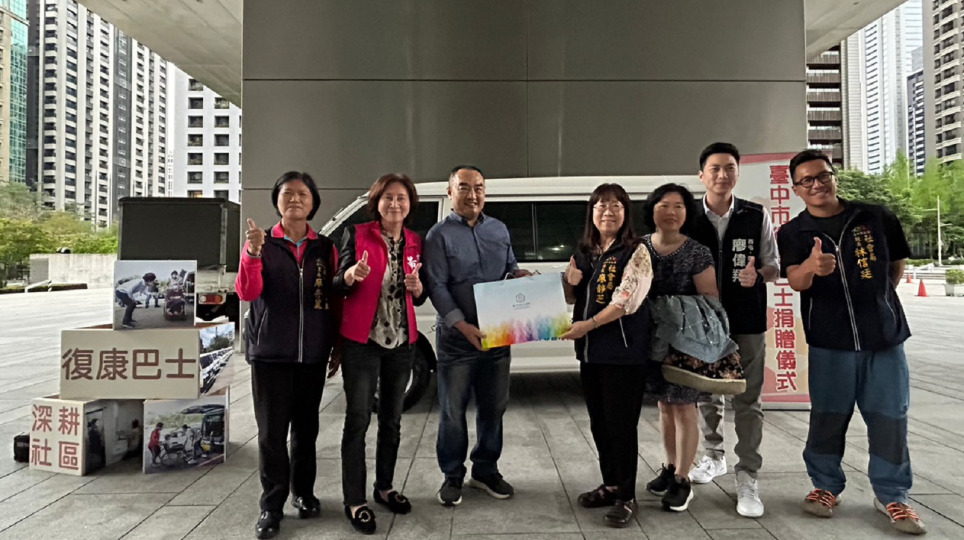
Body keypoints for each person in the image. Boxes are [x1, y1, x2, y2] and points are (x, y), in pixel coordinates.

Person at [778, 150, 925, 535]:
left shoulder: (875, 217)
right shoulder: (793, 232)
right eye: (806, 181)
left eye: (822, 176)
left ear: (834, 177)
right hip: (829, 341)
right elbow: (795, 281)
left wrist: (879, 304)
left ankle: (893, 494)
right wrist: (811, 267)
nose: (816, 185)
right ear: (796, 189)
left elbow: (895, 266)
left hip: (884, 339)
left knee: (890, 417)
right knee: (827, 417)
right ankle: (825, 486)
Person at [236, 171, 339, 540]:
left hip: (312, 355)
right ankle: (271, 506)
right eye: (287, 193)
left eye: (302, 194)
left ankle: (304, 494)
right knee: (271, 434)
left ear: (313, 202)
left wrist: (336, 345)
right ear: (277, 200)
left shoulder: (325, 248)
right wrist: (253, 253)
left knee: (306, 431)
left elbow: (333, 298)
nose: (295, 199)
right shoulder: (261, 242)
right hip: (270, 355)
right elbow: (247, 293)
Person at [423, 165, 531, 507]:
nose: (473, 195)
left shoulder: (498, 229)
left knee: (494, 407)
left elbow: (509, 267)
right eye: (465, 187)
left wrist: (520, 276)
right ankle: (452, 475)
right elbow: (436, 286)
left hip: (497, 333)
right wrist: (461, 324)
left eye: (479, 187)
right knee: (452, 411)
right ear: (450, 191)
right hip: (457, 339)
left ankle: (485, 470)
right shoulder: (438, 236)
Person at [687, 142, 779, 518]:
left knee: (748, 398)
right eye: (715, 168)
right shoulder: (689, 216)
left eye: (729, 168)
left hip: (748, 320)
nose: (722, 175)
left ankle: (748, 473)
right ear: (701, 175)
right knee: (707, 393)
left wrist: (760, 274)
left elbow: (774, 265)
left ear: (738, 173)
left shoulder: (755, 215)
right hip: (703, 321)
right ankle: (713, 456)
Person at [333, 174, 425, 534]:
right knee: (357, 419)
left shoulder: (415, 240)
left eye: (401, 198)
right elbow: (337, 282)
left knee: (392, 419)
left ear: (409, 204)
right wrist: (351, 275)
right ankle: (355, 500)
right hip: (362, 341)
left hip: (401, 342)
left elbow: (420, 295)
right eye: (388, 197)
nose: (395, 204)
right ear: (377, 202)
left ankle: (384, 488)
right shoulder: (356, 234)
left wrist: (418, 288)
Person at [559, 184, 654, 527]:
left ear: (626, 212)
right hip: (591, 354)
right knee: (599, 422)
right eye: (600, 206)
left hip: (624, 354)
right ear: (592, 212)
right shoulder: (586, 251)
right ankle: (611, 484)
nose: (608, 212)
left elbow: (626, 300)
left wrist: (588, 325)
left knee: (621, 425)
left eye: (616, 206)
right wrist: (569, 281)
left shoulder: (636, 251)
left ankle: (627, 496)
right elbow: (571, 297)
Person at [641, 183, 719, 513]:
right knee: (664, 406)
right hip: (651, 340)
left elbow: (710, 298)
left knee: (685, 408)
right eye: (664, 205)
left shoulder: (697, 252)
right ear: (652, 209)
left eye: (679, 206)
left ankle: (684, 479)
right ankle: (671, 467)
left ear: (688, 213)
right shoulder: (640, 247)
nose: (671, 212)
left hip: (686, 340)